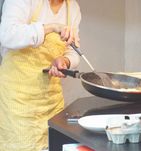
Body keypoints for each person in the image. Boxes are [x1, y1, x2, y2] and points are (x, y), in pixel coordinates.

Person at [0, 0, 81, 151]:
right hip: (17, 101)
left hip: (51, 102)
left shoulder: (73, 8)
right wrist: (51, 27)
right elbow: (7, 34)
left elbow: (72, 51)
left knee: (54, 144)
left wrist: (65, 61)